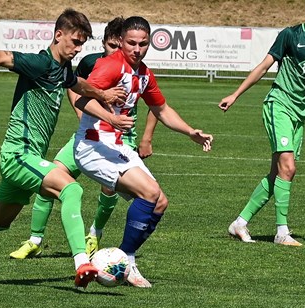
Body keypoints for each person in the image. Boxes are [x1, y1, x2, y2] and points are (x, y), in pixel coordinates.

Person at [0, 9, 129, 288]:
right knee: (72, 189)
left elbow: (78, 84)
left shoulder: (62, 69)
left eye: (82, 44)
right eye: (75, 41)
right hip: (18, 154)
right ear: (58, 35)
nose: (78, 48)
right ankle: (82, 262)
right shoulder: (40, 63)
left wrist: (103, 94)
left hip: (25, 158)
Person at [9, 17, 161, 271]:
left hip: (119, 140)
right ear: (108, 43)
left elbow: (157, 106)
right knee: (53, 175)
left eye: (119, 47)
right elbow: (73, 84)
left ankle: (94, 235)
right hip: (88, 137)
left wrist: (146, 137)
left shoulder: (138, 70)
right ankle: (35, 239)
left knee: (110, 188)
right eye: (112, 46)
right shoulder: (94, 63)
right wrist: (81, 112)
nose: (116, 52)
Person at [74, 16, 213, 288]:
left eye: (143, 44)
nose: (137, 49)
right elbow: (82, 98)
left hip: (114, 145)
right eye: (131, 43)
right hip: (93, 144)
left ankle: (127, 259)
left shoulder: (144, 73)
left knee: (160, 202)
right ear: (122, 42)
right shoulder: (110, 66)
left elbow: (161, 109)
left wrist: (190, 132)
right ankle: (125, 260)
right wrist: (111, 118)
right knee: (149, 193)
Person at [220, 0, 305, 247]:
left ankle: (240, 223)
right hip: (279, 104)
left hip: (299, 112)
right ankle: (281, 232)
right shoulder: (291, 35)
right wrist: (235, 94)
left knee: (278, 174)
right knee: (289, 168)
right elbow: (264, 66)